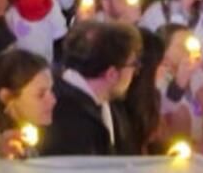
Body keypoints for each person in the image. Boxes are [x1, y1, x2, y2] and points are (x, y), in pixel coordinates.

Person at [43, 20, 142, 156]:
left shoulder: (110, 104)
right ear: (112, 74)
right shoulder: (65, 115)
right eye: (133, 65)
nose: (136, 72)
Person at [0, 48, 55, 158]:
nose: (53, 100)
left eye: (51, 90)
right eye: (40, 94)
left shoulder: (49, 138)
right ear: (6, 97)